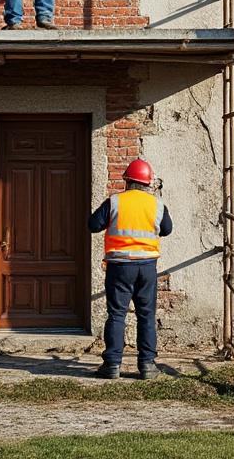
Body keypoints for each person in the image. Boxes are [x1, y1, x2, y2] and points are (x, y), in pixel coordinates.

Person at [88, 158, 172, 380]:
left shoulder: (114, 202)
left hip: (120, 267)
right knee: (146, 315)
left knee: (116, 314)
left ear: (127, 180)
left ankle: (112, 365)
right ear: (147, 183)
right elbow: (167, 229)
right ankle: (147, 366)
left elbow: (93, 225)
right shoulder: (157, 204)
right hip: (146, 268)